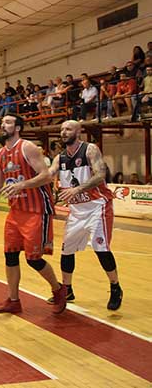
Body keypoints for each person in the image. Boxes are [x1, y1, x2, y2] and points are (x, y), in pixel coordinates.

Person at [0, 114, 68, 315]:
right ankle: (14, 300)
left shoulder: (28, 148)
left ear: (18, 127)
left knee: (33, 259)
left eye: (7, 122)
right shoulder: (0, 154)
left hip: (36, 210)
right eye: (2, 122)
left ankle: (59, 290)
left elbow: (46, 176)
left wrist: (22, 184)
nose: (2, 125)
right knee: (10, 255)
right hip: (15, 211)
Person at [36, 121, 122, 310]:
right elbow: (48, 174)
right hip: (77, 212)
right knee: (67, 251)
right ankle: (67, 289)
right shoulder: (60, 158)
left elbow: (100, 174)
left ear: (79, 131)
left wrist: (77, 189)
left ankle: (115, 287)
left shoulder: (90, 149)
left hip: (98, 207)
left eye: (68, 129)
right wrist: (27, 180)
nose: (63, 132)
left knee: (101, 248)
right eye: (61, 130)